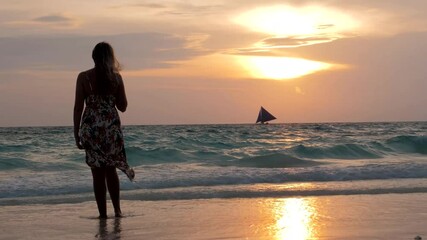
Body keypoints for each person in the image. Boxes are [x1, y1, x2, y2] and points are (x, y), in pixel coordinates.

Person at [73, 42, 135, 219]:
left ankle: (102, 215)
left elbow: (78, 108)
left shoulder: (83, 78)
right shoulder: (116, 78)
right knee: (111, 170)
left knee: (97, 173)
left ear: (93, 57)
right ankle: (117, 211)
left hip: (91, 129)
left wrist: (76, 133)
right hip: (110, 130)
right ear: (110, 58)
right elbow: (122, 106)